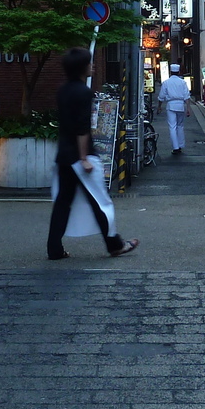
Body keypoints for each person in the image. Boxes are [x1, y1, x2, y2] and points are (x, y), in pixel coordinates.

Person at [47, 47, 138, 261]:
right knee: (99, 201)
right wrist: (84, 158)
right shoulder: (83, 92)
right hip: (80, 157)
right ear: (82, 67)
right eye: (89, 63)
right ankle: (115, 245)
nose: (93, 66)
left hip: (64, 155)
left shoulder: (63, 90)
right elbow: (82, 127)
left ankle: (54, 248)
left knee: (63, 203)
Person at [158, 63, 191, 155]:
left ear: (171, 72)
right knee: (180, 126)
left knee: (172, 126)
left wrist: (159, 106)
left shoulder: (166, 82)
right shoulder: (183, 82)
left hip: (171, 105)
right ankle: (180, 145)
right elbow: (187, 96)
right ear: (178, 71)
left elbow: (161, 96)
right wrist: (188, 108)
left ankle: (175, 147)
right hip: (180, 105)